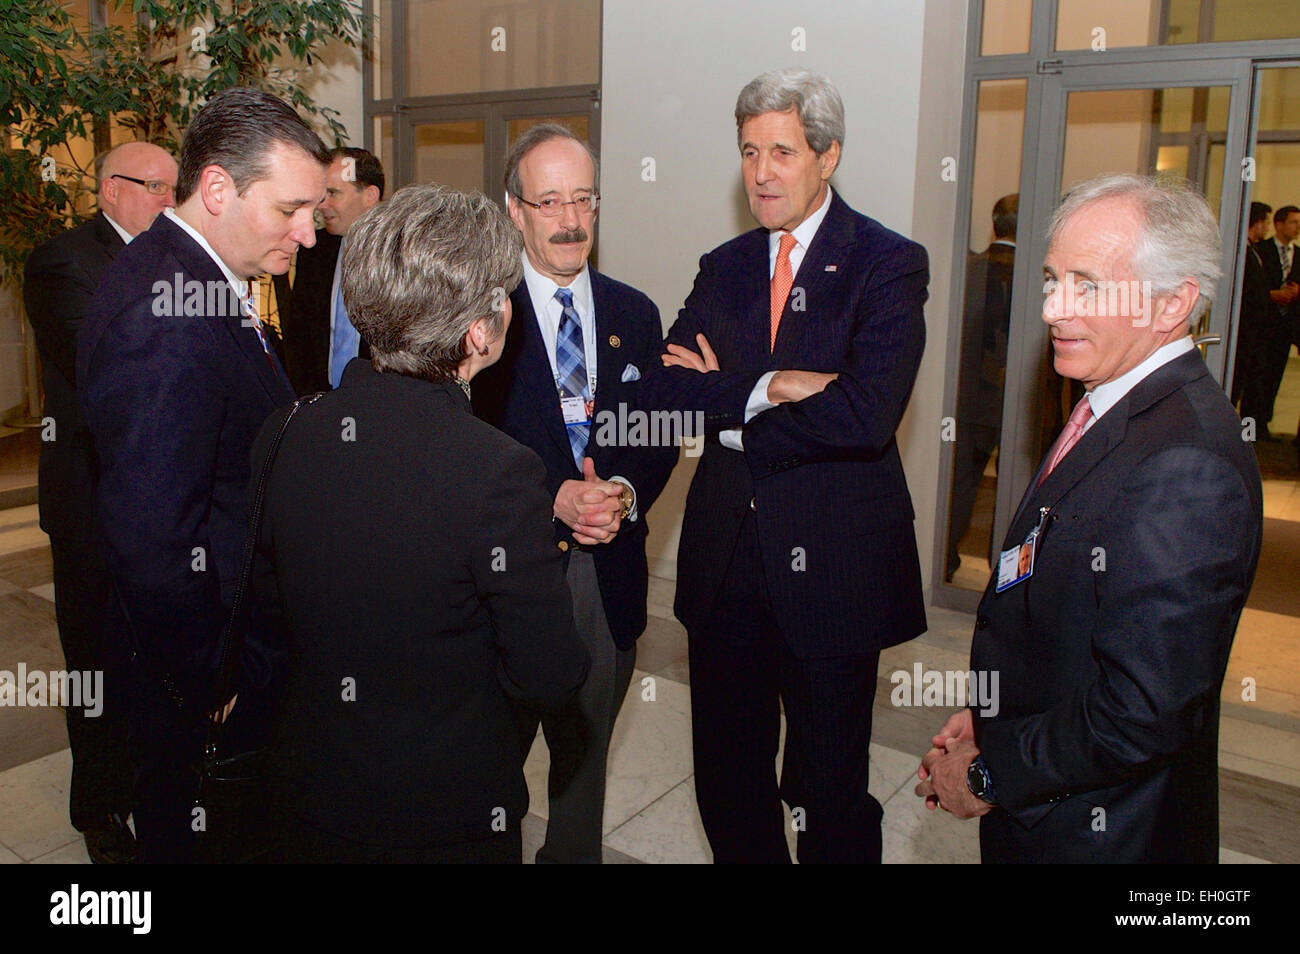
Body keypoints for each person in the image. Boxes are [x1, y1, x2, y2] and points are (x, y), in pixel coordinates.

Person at [916, 174, 1263, 864]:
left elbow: (1138, 713)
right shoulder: (1114, 399)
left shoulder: (1185, 464)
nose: (1052, 307)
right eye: (1052, 279)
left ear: (1174, 303)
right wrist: (998, 719)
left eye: (1088, 284)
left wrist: (991, 772)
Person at [639, 68, 929, 864]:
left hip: (834, 567)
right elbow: (665, 390)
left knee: (828, 788)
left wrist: (727, 408)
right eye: (748, 152)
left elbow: (867, 413)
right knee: (726, 781)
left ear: (828, 156)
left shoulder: (888, 263)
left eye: (782, 151)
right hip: (725, 562)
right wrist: (772, 385)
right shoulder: (725, 263)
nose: (761, 172)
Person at [256, 184, 589, 863]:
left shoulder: (285, 429)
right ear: (479, 332)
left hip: (304, 789)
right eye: (502, 295)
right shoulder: (499, 472)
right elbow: (550, 672)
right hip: (443, 812)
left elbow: (269, 615)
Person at [78, 87, 329, 863]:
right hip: (206, 674)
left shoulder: (198, 276)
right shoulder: (165, 315)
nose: (310, 234)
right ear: (218, 188)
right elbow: (155, 539)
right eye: (292, 209)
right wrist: (210, 679)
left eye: (315, 211)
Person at [472, 123, 677, 863]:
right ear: (513, 209)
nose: (569, 220)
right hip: (505, 575)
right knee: (485, 776)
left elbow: (655, 431)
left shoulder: (634, 313)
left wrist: (620, 490)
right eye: (549, 200)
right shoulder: (478, 314)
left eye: (583, 199)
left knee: (582, 778)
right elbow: (459, 447)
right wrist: (548, 496)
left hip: (606, 573)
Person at [22, 141, 177, 864]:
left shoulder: (174, 263)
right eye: (155, 187)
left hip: (163, 496)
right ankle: (101, 807)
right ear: (111, 189)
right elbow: (106, 361)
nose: (167, 203)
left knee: (153, 652)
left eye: (174, 189)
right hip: (91, 498)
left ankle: (154, 786)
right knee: (95, 656)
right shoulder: (62, 262)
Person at [946, 194, 1016, 580]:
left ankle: (947, 560)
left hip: (968, 399)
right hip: (1016, 404)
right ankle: (1006, 575)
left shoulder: (969, 268)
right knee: (1017, 493)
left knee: (961, 485)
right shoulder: (1036, 277)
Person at [280, 146, 385, 395]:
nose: (321, 205)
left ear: (370, 196)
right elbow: (299, 336)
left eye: (333, 193)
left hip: (378, 403)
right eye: (320, 195)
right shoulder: (313, 249)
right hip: (320, 401)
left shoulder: (401, 256)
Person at [1254, 204, 1300, 439]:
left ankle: (1265, 421)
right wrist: (1273, 294)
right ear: (1279, 224)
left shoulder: (1299, 254)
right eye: (1293, 222)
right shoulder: (1262, 250)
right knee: (1258, 374)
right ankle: (1254, 423)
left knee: (1275, 374)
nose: (1297, 227)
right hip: (1264, 323)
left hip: (1287, 325)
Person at [1233, 201, 1274, 430]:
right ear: (1256, 223)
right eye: (1266, 222)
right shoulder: (1243, 253)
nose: (1267, 228)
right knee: (1237, 380)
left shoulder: (1253, 250)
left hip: (1254, 332)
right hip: (1245, 332)